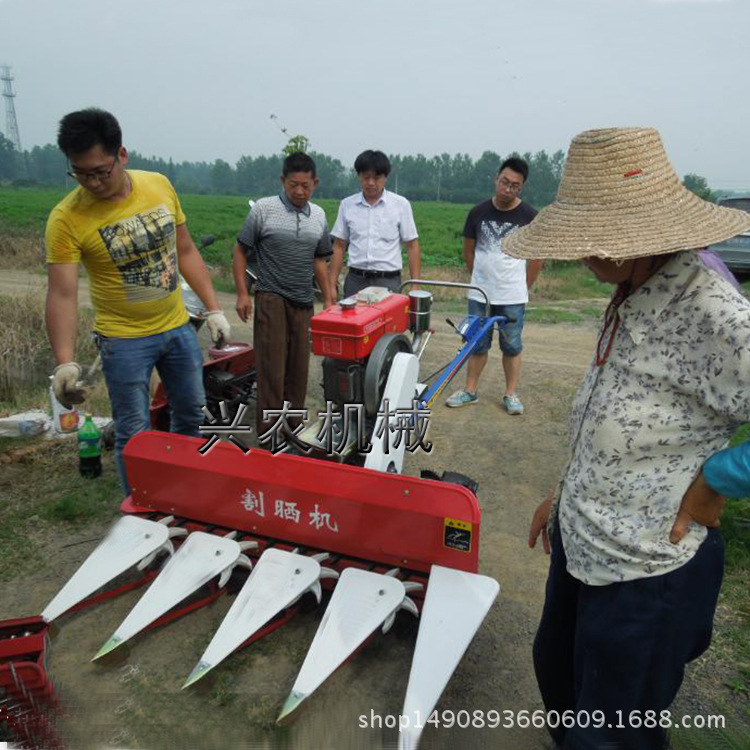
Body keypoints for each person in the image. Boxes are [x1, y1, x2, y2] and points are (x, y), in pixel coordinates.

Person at [503, 127, 750, 750]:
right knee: (559, 683)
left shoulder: (715, 313)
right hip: (585, 541)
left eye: (596, 241)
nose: (582, 255)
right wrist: (564, 495)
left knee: (610, 733)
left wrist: (719, 482)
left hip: (647, 568)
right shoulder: (629, 289)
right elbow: (617, 417)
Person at [45, 109, 230, 494]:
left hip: (178, 327)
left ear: (122, 155)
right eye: (81, 173)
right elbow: (62, 292)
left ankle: (184, 490)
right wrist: (64, 362)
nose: (92, 182)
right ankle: (142, 509)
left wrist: (213, 309)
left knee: (191, 414)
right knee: (133, 431)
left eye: (100, 170)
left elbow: (186, 250)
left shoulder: (158, 186)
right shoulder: (66, 218)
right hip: (123, 340)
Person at [231, 152, 332, 438]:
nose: (299, 191)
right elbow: (240, 251)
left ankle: (293, 430)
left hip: (303, 303)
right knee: (272, 370)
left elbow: (319, 261)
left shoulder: (320, 216)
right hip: (271, 299)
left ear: (315, 183)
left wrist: (329, 299)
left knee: (299, 372)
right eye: (293, 185)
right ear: (282, 181)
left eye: (305, 185)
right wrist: (242, 293)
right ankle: (270, 436)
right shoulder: (264, 210)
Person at [445, 157, 541, 415]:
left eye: (514, 185)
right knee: (476, 342)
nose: (507, 189)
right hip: (480, 293)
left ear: (521, 188)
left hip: (512, 295)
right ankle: (470, 390)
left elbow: (536, 258)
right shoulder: (478, 212)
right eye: (504, 182)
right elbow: (469, 251)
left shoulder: (530, 216)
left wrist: (523, 287)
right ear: (496, 179)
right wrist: (480, 281)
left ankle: (511, 394)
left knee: (512, 344)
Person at [328, 149, 420, 299]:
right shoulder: (347, 205)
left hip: (388, 281)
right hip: (355, 280)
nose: (371, 183)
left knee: (388, 322)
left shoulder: (400, 205)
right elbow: (339, 245)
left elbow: (412, 245)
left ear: (385, 178)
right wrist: (331, 284)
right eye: (366, 177)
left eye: (376, 178)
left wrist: (415, 285)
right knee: (352, 321)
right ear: (359, 176)